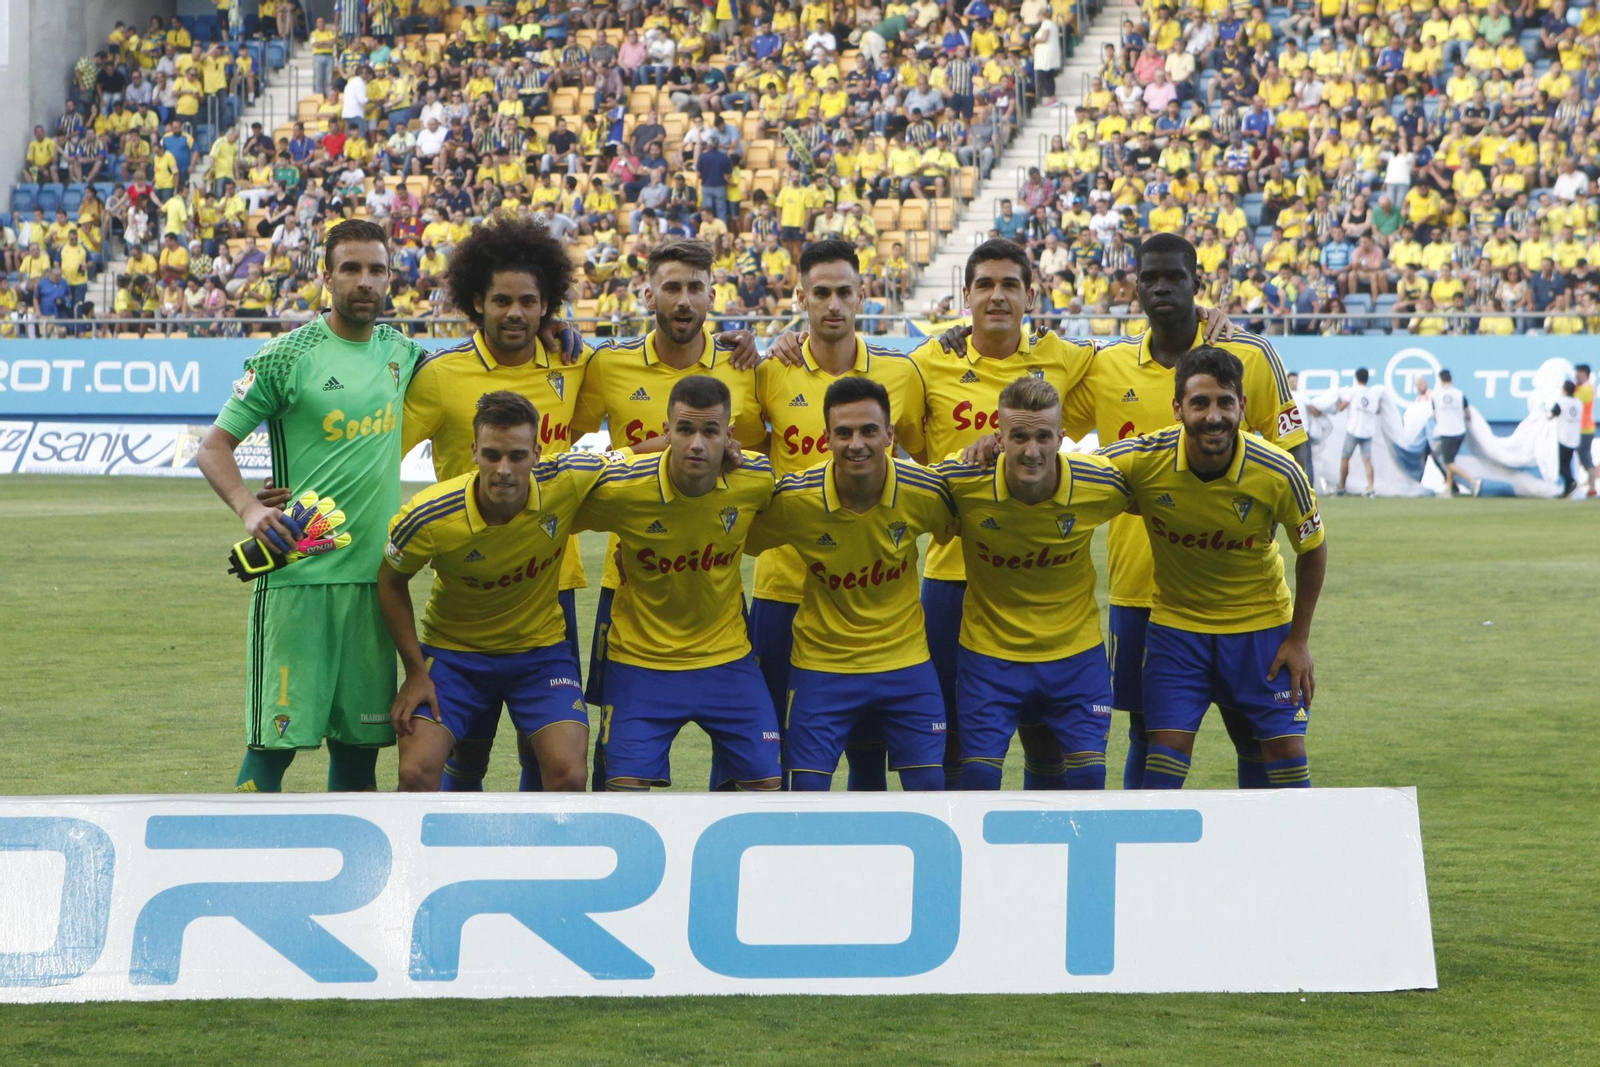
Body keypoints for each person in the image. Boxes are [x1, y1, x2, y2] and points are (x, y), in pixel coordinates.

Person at [1058, 233, 1310, 790]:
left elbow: (1294, 454)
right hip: (1139, 587)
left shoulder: (1247, 355)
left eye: (1174, 276)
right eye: (1149, 278)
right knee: (1148, 732)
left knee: (1255, 733)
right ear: (1134, 287)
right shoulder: (1108, 364)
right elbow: (1046, 423)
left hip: (1238, 593)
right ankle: (1142, 840)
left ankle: (1260, 840)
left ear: (1198, 282)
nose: (1161, 287)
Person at [195, 219, 426, 793]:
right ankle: (239, 850)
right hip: (297, 582)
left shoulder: (402, 353)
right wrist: (250, 509)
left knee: (359, 754)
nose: (365, 281)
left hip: (375, 586)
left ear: (390, 278)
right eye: (351, 268)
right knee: (272, 749)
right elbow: (213, 447)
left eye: (376, 269)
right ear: (326, 277)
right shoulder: (285, 356)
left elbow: (474, 370)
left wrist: (552, 329)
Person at [400, 215, 592, 792]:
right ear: (476, 302)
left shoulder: (574, 361)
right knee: (467, 753)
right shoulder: (440, 376)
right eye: (501, 300)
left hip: (550, 581)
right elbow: (380, 457)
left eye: (529, 301)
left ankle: (538, 846)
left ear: (547, 305)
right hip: (468, 587)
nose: (515, 313)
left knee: (548, 755)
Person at [567, 239, 763, 784]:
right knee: (617, 759)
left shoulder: (744, 366)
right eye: (672, 287)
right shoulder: (609, 364)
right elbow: (566, 444)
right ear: (648, 293)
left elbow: (759, 453)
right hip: (631, 580)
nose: (684, 300)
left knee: (742, 753)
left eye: (695, 288)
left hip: (715, 577)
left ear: (712, 296)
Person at [1099, 347, 1327, 790]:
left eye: (1225, 402)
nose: (1214, 416)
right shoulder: (1144, 460)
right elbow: (1071, 475)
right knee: (1163, 758)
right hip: (1178, 630)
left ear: (1243, 406)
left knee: (1286, 754)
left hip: (1261, 629)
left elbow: (1314, 549)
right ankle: (1149, 839)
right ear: (1177, 408)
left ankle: (1284, 838)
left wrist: (1299, 639)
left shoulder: (1279, 471)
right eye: (1200, 402)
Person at [749, 239, 928, 790]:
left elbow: (924, 463)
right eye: (821, 293)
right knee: (772, 749)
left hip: (871, 596)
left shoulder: (901, 374)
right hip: (785, 589)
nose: (833, 304)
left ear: (862, 296)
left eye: (844, 292)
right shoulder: (770, 372)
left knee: (869, 755)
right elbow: (745, 460)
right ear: (800, 297)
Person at [380, 391, 614, 792]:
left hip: (540, 655)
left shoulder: (568, 480)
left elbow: (633, 461)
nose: (503, 469)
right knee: (415, 774)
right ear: (474, 451)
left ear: (537, 454)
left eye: (517, 456)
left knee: (570, 775)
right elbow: (389, 580)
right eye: (492, 455)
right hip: (453, 657)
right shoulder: (428, 514)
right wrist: (416, 671)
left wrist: (712, 453)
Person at [746, 377, 956, 792]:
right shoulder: (795, 499)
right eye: (843, 433)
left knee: (931, 784)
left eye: (868, 431)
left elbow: (969, 524)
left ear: (890, 435)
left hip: (905, 661)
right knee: (805, 791)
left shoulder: (925, 491)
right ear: (826, 438)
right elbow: (735, 535)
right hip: (822, 664)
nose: (856, 444)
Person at [575, 375, 782, 791]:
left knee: (768, 789)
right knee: (622, 792)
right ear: (666, 432)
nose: (697, 445)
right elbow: (550, 502)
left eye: (711, 432)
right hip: (641, 662)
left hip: (726, 659)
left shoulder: (756, 479)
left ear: (730, 435)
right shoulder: (622, 487)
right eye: (685, 430)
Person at [934, 377, 1131, 789]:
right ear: (999, 439)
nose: (1032, 450)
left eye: (1043, 436)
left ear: (1061, 437)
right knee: (978, 779)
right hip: (989, 656)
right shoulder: (961, 479)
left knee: (1089, 777)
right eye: (1019, 437)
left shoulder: (1102, 483)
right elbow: (901, 499)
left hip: (1075, 655)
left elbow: (1162, 491)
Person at [1427, 369, 1480, 496]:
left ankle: (1473, 481)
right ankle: (1449, 489)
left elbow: (1434, 415)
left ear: (1440, 380)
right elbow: (1468, 414)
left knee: (1448, 462)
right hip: (1460, 432)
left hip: (1446, 432)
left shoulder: (1435, 395)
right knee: (1451, 460)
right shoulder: (1459, 394)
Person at [1337, 366, 1383, 496]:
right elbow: (1377, 410)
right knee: (1367, 460)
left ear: (1356, 378)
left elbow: (1341, 407)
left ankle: (1342, 487)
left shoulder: (1353, 391)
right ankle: (1370, 488)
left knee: (1345, 458)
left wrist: (1337, 400)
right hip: (1367, 431)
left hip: (1353, 429)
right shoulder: (1372, 394)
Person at [1551, 380, 1583, 498]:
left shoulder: (1561, 402)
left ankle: (1571, 481)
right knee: (1567, 463)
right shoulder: (1578, 402)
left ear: (1564, 390)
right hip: (1575, 436)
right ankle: (1566, 490)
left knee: (1561, 465)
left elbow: (1552, 413)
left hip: (1563, 436)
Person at [1573, 364, 1596, 497]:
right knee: (1582, 458)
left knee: (1586, 457)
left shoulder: (1587, 389)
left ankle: (1592, 487)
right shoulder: (1581, 387)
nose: (1577, 375)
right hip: (1578, 428)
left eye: (1579, 372)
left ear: (1585, 373)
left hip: (1585, 428)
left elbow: (1573, 399)